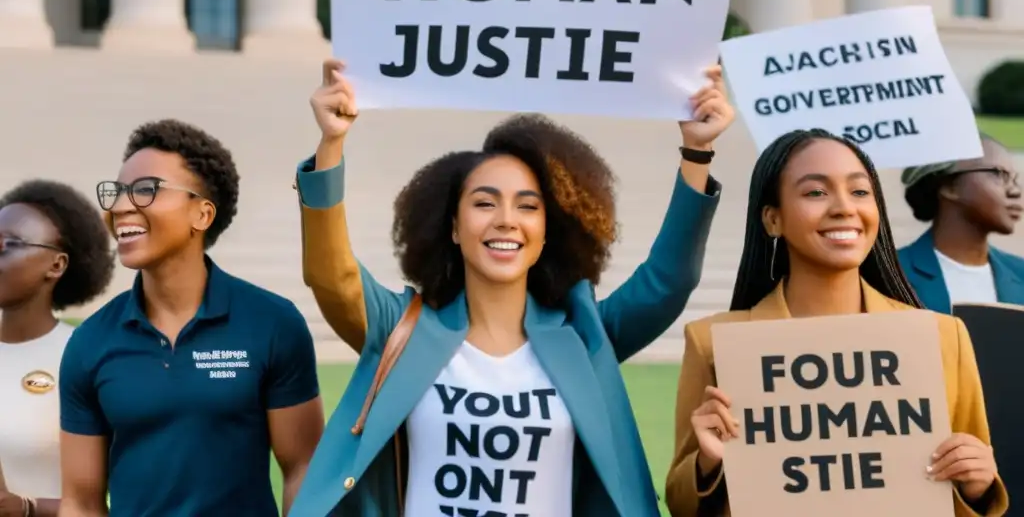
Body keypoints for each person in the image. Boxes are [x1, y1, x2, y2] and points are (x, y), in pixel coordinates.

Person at [288, 58, 732, 516]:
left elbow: (668, 282)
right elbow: (332, 276)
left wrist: (697, 154)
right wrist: (331, 146)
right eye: (484, 202)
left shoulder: (583, 335)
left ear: (546, 232)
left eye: (527, 206)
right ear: (454, 228)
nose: (506, 219)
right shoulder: (402, 328)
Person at [665, 128, 1008, 517]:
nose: (844, 207)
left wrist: (977, 486)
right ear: (772, 219)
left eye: (860, 192)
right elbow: (681, 505)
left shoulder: (943, 337)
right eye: (815, 192)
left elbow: (962, 494)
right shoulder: (712, 343)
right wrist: (707, 465)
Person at [57, 120, 324, 517]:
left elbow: (303, 470)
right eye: (117, 192)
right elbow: (81, 503)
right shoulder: (90, 342)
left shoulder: (273, 323)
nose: (119, 207)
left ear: (202, 213)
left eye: (146, 190)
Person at [0, 180, 114, 517]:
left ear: (56, 265)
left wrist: (25, 508)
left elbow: (116, 501)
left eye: (6, 244)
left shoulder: (84, 356)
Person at [899, 135, 1024, 312]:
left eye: (1014, 178)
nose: (1015, 190)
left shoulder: (1020, 272)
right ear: (950, 186)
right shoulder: (891, 275)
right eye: (998, 174)